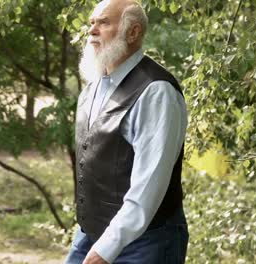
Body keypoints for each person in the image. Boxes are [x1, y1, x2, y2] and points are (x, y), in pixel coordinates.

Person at [64, 0, 189, 263]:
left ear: (133, 33)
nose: (92, 31)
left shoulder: (156, 92)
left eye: (104, 22)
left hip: (147, 241)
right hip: (92, 233)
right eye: (91, 23)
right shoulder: (92, 88)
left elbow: (149, 187)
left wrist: (105, 249)